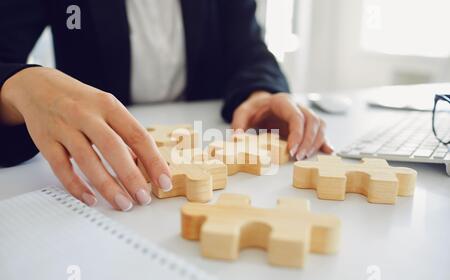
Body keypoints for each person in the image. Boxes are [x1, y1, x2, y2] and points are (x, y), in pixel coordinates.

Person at [0, 0, 332, 211]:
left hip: (207, 141)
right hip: (90, 166)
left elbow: (250, 51)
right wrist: (18, 84)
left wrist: (260, 93)